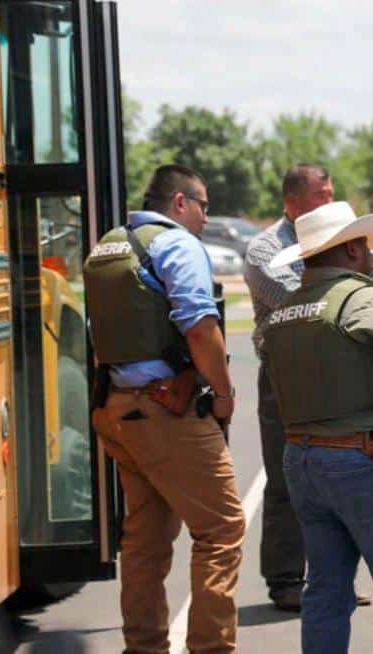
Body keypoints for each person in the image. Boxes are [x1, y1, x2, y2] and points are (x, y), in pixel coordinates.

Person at [261, 201, 373, 653]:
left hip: (302, 460)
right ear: (356, 249)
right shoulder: (370, 301)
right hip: (364, 460)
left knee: (325, 588)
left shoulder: (283, 312)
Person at [84, 164, 245, 653]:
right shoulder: (176, 244)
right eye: (203, 207)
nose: (204, 218)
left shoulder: (108, 246)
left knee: (146, 541)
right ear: (180, 202)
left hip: (116, 409)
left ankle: (145, 647)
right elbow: (199, 326)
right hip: (163, 412)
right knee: (221, 529)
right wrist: (223, 393)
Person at [244, 163, 373, 611]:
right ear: (292, 203)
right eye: (321, 195)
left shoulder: (349, 241)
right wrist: (355, 292)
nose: (331, 202)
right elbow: (306, 305)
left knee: (345, 475)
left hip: (347, 374)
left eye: (332, 193)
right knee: (287, 476)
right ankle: (287, 579)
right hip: (287, 379)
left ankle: (336, 579)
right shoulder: (266, 250)